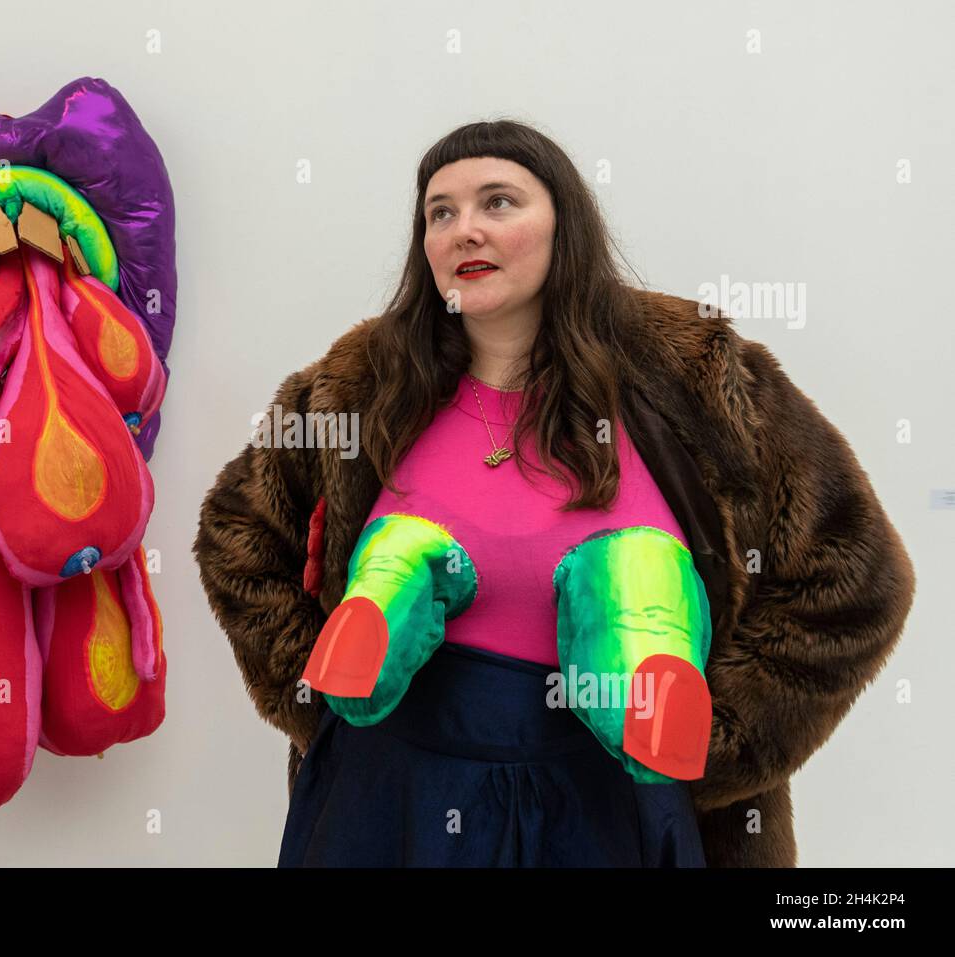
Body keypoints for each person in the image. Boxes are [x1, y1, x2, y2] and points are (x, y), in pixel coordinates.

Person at [192, 120, 916, 867]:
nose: (464, 229)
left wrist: (711, 739)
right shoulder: (362, 383)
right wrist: (326, 709)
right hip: (393, 796)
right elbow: (238, 533)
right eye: (439, 212)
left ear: (563, 223)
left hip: (614, 801)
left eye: (497, 202)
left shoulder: (697, 373)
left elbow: (856, 574)